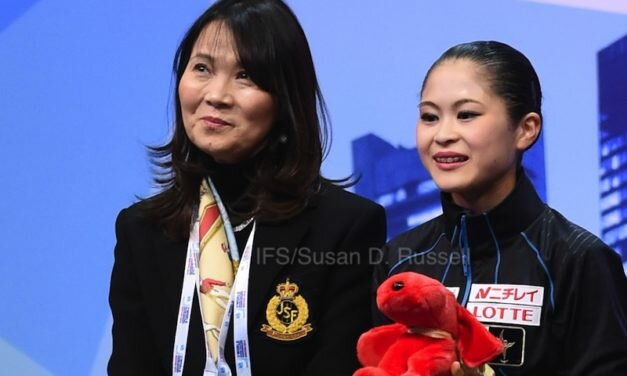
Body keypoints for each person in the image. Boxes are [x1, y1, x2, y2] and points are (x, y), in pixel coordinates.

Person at [107, 0, 386, 375]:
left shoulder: (346, 227)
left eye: (246, 76)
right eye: (202, 68)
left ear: (285, 99)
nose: (217, 95)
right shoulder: (140, 230)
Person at [374, 41, 627, 375]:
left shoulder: (578, 260)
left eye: (466, 115)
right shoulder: (398, 258)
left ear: (526, 129)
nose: (443, 134)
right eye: (429, 117)